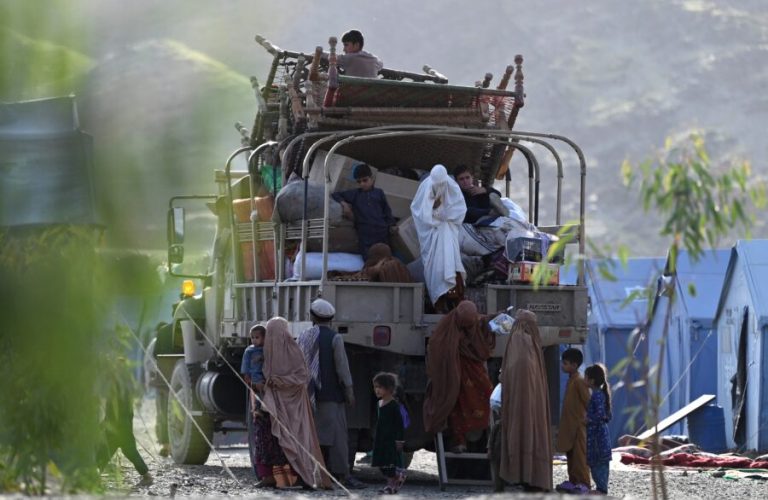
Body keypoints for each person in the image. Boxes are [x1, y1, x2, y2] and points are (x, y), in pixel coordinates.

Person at [296, 299, 365, 490]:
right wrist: (349, 391)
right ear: (331, 318)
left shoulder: (303, 336)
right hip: (331, 396)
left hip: (308, 395)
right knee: (337, 438)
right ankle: (342, 475)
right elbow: (342, 368)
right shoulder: (335, 338)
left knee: (312, 435)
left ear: (312, 317)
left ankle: (311, 473)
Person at [262, 316, 331, 489]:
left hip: (295, 405)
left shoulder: (294, 350)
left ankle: (305, 477)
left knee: (298, 438)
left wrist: (281, 381)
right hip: (276, 402)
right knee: (277, 441)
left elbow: (302, 376)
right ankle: (282, 478)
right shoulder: (267, 351)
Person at [423, 300, 494, 452]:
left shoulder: (473, 324)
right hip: (453, 377)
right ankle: (459, 441)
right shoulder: (446, 331)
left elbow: (481, 338)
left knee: (487, 395)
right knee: (454, 402)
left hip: (473, 374)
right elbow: (437, 350)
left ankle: (485, 436)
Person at [497, 310, 552, 492]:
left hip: (516, 402)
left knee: (518, 431)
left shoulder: (517, 340)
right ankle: (533, 475)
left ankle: (519, 474)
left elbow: (511, 372)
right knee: (531, 431)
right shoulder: (530, 343)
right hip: (531, 404)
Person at [411, 164, 467, 312]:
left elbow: (460, 209)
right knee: (435, 269)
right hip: (431, 236)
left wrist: (445, 215)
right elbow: (419, 212)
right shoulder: (426, 187)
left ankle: (454, 301)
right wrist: (433, 212)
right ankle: (439, 302)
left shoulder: (452, 186)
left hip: (448, 232)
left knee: (451, 264)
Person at [98, 356, 153, 486]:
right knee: (126, 450)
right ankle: (146, 475)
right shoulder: (125, 383)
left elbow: (114, 409)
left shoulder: (116, 384)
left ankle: (94, 474)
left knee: (107, 449)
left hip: (118, 425)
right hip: (123, 424)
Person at [332, 163, 397, 260]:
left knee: (386, 260)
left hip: (382, 232)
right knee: (369, 261)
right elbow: (335, 194)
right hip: (365, 235)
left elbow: (386, 210)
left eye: (365, 180)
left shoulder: (379, 193)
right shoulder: (355, 194)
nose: (362, 184)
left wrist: (392, 225)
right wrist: (344, 204)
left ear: (372, 178)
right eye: (359, 182)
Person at [556, 348, 591, 493]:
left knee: (579, 456)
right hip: (570, 426)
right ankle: (573, 481)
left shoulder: (579, 381)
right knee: (570, 455)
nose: (562, 366)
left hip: (578, 426)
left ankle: (584, 483)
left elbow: (588, 401)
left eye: (565, 363)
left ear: (574, 365)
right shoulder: (571, 379)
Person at [371, 372, 407, 494]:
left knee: (390, 464)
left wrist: (400, 440)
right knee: (382, 463)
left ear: (389, 388)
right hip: (381, 439)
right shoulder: (379, 404)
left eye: (380, 387)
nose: (377, 390)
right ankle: (396, 479)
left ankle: (391, 485)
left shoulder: (394, 405)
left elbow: (399, 425)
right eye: (375, 387)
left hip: (391, 440)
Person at [585, 363, 612, 495]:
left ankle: (601, 490)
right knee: (600, 464)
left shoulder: (596, 395)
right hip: (601, 434)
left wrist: (587, 420)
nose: (584, 381)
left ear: (592, 380)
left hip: (597, 435)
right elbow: (608, 415)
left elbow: (601, 415)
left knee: (597, 463)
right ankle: (601, 488)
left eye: (586, 378)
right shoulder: (602, 394)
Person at [241, 324, 266, 416]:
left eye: (257, 337)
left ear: (264, 338)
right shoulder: (249, 350)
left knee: (265, 392)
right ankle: (256, 409)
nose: (254, 340)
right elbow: (245, 363)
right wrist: (246, 374)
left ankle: (264, 407)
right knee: (256, 393)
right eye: (252, 337)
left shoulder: (266, 349)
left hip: (265, 375)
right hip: (255, 375)